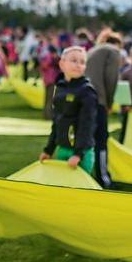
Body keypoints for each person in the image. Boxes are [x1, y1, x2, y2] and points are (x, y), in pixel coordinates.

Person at [40, 46, 98, 174]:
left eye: (82, 62)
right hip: (63, 149)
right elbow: (57, 122)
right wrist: (49, 149)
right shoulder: (59, 88)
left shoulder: (87, 91)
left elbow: (87, 125)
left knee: (79, 191)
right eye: (73, 60)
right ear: (62, 64)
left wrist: (78, 154)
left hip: (81, 153)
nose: (78, 65)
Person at [85, 31, 124, 188]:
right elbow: (111, 78)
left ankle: (84, 176)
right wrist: (109, 102)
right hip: (97, 100)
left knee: (85, 138)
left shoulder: (93, 50)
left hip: (82, 98)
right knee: (101, 140)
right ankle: (103, 178)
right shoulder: (113, 52)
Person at [39, 44, 62, 120]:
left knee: (46, 99)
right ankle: (49, 116)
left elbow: (43, 67)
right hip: (52, 79)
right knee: (50, 99)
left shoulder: (45, 57)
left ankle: (45, 115)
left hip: (46, 79)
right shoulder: (51, 57)